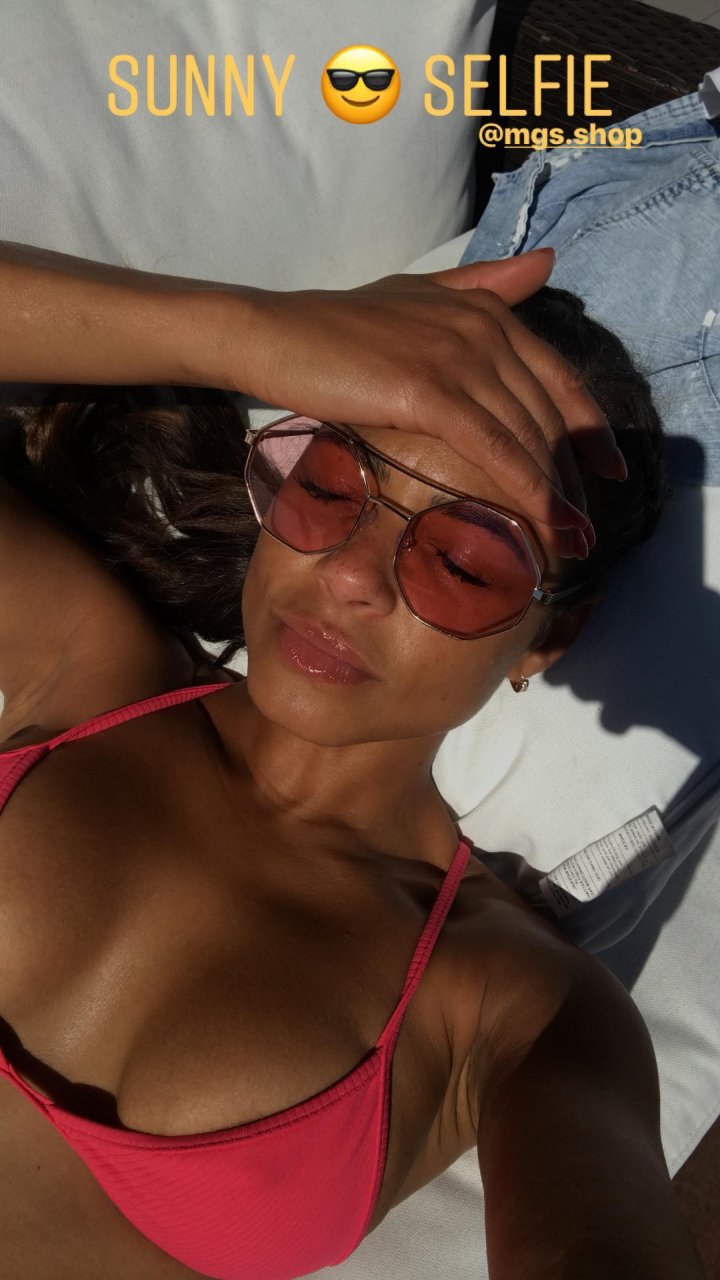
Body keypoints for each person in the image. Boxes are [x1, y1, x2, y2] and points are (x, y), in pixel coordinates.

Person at [0, 246, 705, 1280]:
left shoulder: (514, 1003)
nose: (350, 577)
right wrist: (247, 332)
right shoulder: (89, 666)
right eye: (331, 487)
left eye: (464, 560)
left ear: (550, 635)